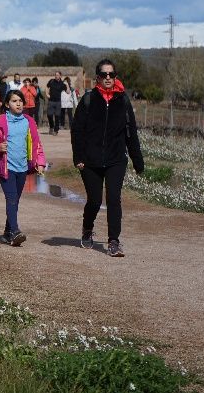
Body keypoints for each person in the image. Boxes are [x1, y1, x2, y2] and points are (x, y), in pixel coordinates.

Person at [71, 59, 145, 258]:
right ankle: (87, 228)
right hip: (90, 161)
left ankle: (114, 241)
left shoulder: (123, 101)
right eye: (104, 75)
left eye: (112, 74)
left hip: (116, 159)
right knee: (94, 201)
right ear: (97, 78)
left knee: (113, 199)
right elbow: (77, 131)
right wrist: (78, 156)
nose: (108, 78)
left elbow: (131, 133)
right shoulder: (88, 100)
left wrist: (137, 160)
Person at [0, 90, 47, 246]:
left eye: (20, 100)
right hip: (6, 168)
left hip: (23, 168)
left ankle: (7, 233)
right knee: (11, 199)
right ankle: (15, 231)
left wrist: (40, 162)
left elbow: (37, 144)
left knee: (15, 201)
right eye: (14, 101)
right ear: (7, 104)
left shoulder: (29, 122)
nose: (18, 103)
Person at [46, 71, 66, 135]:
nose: (56, 76)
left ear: (60, 76)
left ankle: (56, 130)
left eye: (57, 75)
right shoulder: (51, 81)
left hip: (58, 102)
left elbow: (68, 91)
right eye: (55, 75)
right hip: (51, 101)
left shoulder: (62, 83)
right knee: (49, 115)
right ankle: (51, 127)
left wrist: (67, 85)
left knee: (57, 116)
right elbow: (47, 87)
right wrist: (47, 94)